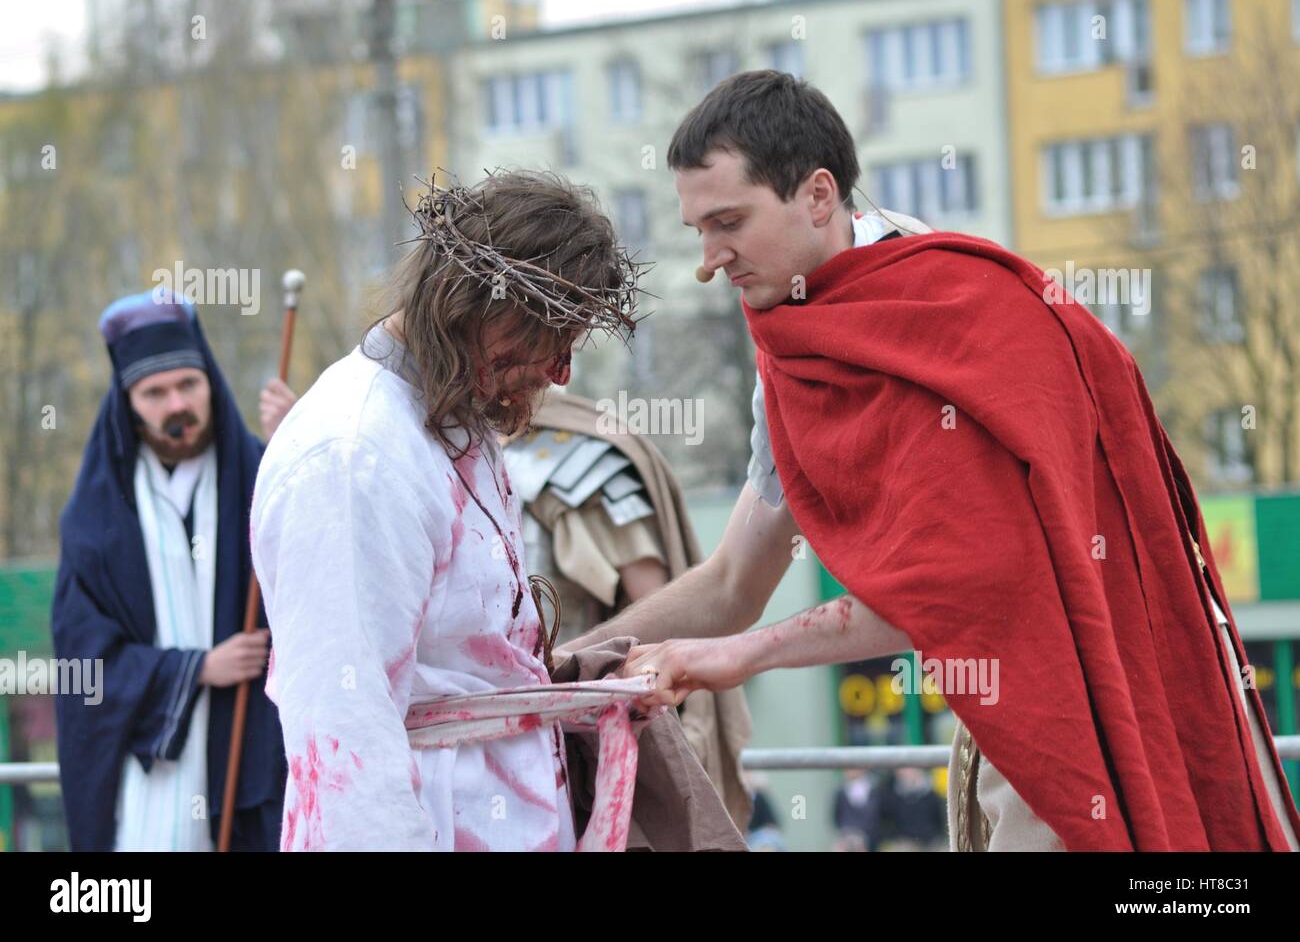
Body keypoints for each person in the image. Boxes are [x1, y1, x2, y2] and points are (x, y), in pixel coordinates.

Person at [562, 70, 1300, 851]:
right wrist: (563, 664)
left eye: (729, 222)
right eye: (696, 231)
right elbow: (734, 582)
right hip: (1013, 708)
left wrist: (735, 656)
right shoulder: (796, 346)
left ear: (818, 195)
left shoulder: (967, 317)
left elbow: (957, 589)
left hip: (1104, 704)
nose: (709, 261)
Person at [249, 171, 641, 850]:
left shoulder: (450, 419)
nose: (560, 375)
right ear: (480, 307)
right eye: (555, 340)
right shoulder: (354, 454)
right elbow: (345, 731)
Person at [52, 289, 296, 851]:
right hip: (147, 781)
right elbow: (80, 662)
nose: (175, 404)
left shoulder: (264, 475)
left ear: (210, 382)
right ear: (128, 402)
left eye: (188, 384)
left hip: (251, 754)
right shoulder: (95, 517)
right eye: (154, 393)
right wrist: (194, 669)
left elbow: (327, 562)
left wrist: (300, 448)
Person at [500, 389, 753, 827]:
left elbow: (665, 616)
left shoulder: (584, 462)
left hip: (576, 730)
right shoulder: (447, 454)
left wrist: (569, 665)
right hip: (484, 730)